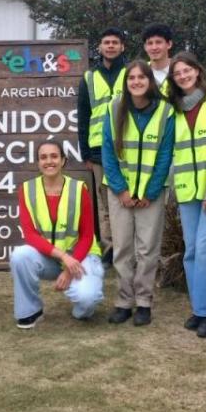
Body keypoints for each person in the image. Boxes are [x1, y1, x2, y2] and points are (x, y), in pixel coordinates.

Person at [102, 59, 175, 325]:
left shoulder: (165, 111)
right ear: (126, 82)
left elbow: (166, 155)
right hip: (119, 192)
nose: (136, 82)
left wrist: (151, 192)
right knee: (122, 248)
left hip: (151, 195)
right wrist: (120, 190)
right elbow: (107, 152)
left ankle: (144, 302)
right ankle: (124, 301)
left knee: (147, 250)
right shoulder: (114, 109)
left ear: (150, 81)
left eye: (141, 77)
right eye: (131, 78)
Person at [10, 137, 105, 328]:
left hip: (81, 256)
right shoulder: (27, 189)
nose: (49, 161)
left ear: (63, 160)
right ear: (38, 163)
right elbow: (30, 234)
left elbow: (87, 236)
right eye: (43, 157)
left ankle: (82, 310)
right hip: (52, 257)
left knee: (87, 299)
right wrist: (62, 257)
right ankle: (31, 311)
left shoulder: (79, 189)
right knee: (20, 255)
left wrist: (70, 268)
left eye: (54, 156)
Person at [167, 52, 206, 338]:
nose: (183, 75)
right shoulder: (174, 109)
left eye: (187, 70)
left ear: (197, 71)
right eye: (177, 72)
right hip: (186, 191)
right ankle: (199, 307)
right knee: (191, 252)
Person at [77, 27, 127, 264]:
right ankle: (109, 250)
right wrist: (85, 153)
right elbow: (83, 116)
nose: (110, 46)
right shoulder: (89, 77)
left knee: (125, 198)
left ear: (122, 47)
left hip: (127, 148)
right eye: (106, 42)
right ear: (100, 47)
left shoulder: (132, 74)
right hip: (97, 150)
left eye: (115, 42)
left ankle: (127, 248)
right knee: (103, 202)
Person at [141, 23, 175, 94]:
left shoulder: (181, 71)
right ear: (145, 47)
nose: (154, 47)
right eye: (150, 43)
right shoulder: (140, 71)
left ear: (169, 44)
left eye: (158, 42)